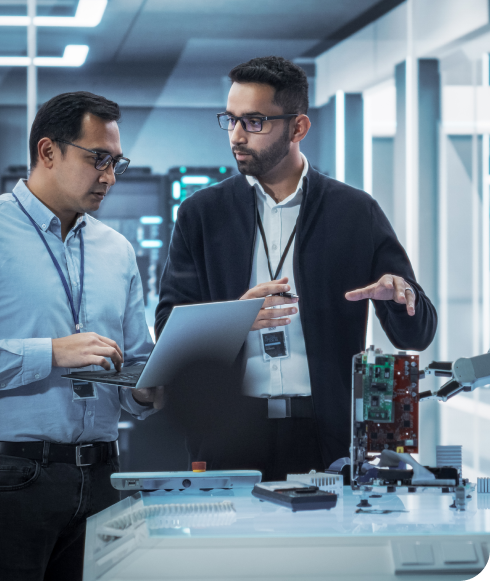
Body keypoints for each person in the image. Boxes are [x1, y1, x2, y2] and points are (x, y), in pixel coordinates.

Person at [0, 91, 163, 581]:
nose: (109, 176)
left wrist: (147, 391)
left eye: (117, 162)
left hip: (103, 477)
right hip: (9, 480)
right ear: (48, 152)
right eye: (98, 159)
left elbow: (134, 362)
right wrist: (49, 353)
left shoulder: (117, 250)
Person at [155, 56, 437, 480]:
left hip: (324, 436)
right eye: (230, 120)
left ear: (298, 128)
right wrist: (233, 318)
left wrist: (401, 297)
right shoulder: (201, 214)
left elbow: (418, 333)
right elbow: (167, 328)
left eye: (253, 121)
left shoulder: (355, 212)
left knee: (323, 546)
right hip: (228, 432)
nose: (236, 135)